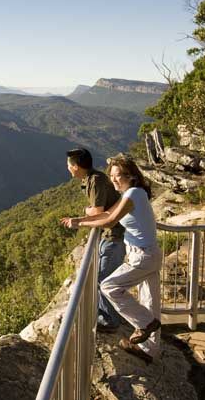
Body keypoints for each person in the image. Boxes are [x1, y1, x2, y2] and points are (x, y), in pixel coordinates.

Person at [65, 156, 162, 364]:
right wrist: (79, 219)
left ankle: (145, 323)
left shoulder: (133, 194)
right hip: (148, 253)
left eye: (120, 175)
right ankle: (149, 350)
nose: (115, 180)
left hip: (142, 256)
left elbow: (109, 221)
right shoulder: (128, 193)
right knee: (150, 301)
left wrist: (80, 226)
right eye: (112, 175)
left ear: (132, 176)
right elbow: (108, 212)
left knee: (109, 286)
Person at [60, 148, 127, 333]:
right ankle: (107, 314)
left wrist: (84, 213)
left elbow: (97, 211)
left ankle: (110, 320)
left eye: (69, 165)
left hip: (113, 236)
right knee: (102, 277)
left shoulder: (96, 181)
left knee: (103, 278)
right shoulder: (90, 180)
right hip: (108, 235)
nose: (67, 168)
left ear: (76, 166)